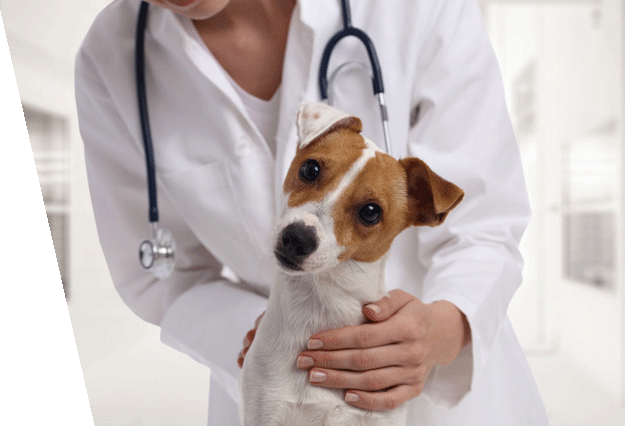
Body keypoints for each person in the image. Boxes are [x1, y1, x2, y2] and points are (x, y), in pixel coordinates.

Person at [74, 0, 549, 424]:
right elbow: (157, 273)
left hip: (444, 389)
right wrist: (267, 337)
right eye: (311, 171)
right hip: (271, 385)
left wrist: (438, 333)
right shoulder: (112, 56)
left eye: (365, 211)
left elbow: (485, 223)